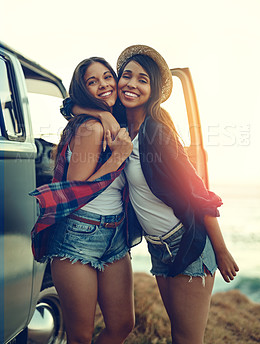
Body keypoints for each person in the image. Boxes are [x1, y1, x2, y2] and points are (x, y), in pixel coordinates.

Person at [65, 45, 239, 344]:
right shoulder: (120, 124)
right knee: (177, 334)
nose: (131, 84)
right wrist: (102, 116)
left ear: (153, 89)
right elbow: (70, 105)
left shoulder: (157, 131)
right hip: (159, 249)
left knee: (187, 339)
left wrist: (221, 250)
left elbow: (199, 192)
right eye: (127, 76)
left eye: (142, 80)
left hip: (187, 242)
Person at [30, 57, 134, 344]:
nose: (103, 85)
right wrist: (117, 157)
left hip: (114, 235)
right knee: (80, 336)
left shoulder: (118, 120)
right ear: (84, 89)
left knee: (123, 323)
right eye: (92, 82)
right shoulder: (93, 128)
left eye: (107, 77)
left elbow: (66, 105)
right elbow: (78, 191)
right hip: (78, 234)